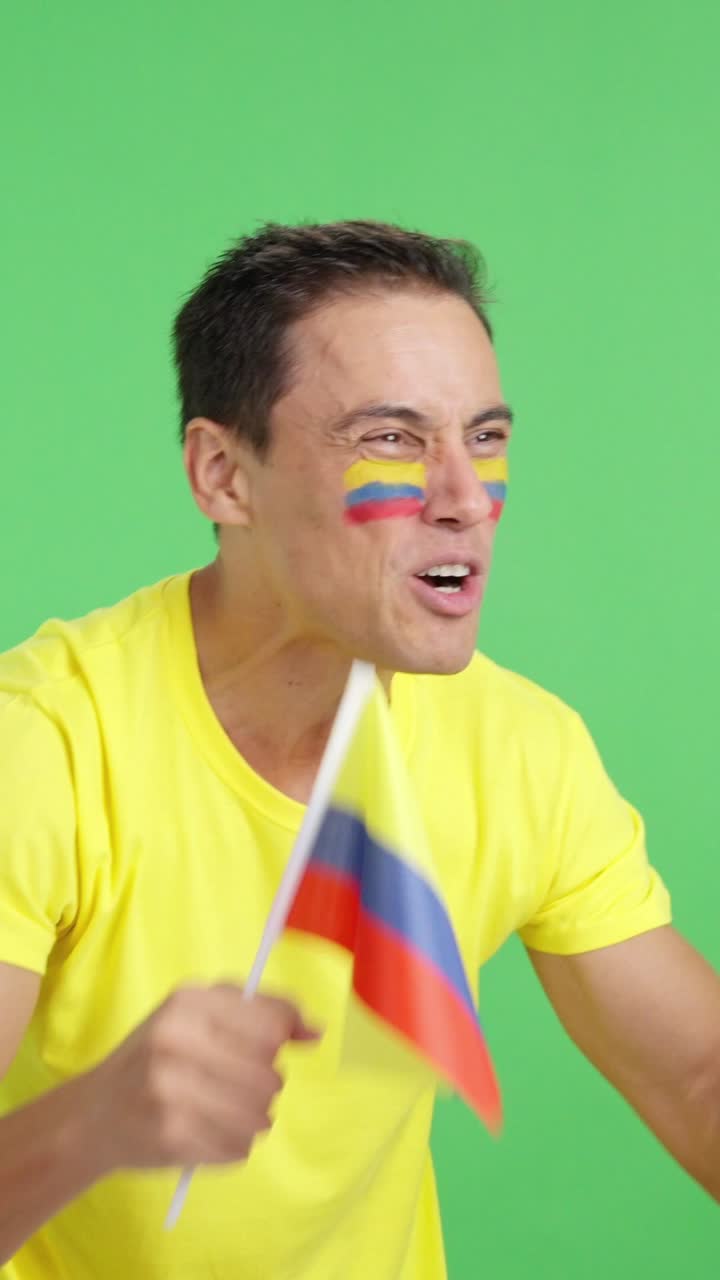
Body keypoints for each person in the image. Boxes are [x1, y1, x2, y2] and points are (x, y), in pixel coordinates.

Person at [0, 221, 717, 1280]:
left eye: (484, 437)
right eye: (390, 439)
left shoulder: (521, 746)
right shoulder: (44, 740)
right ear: (223, 476)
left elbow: (698, 1075)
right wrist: (90, 1122)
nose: (465, 498)